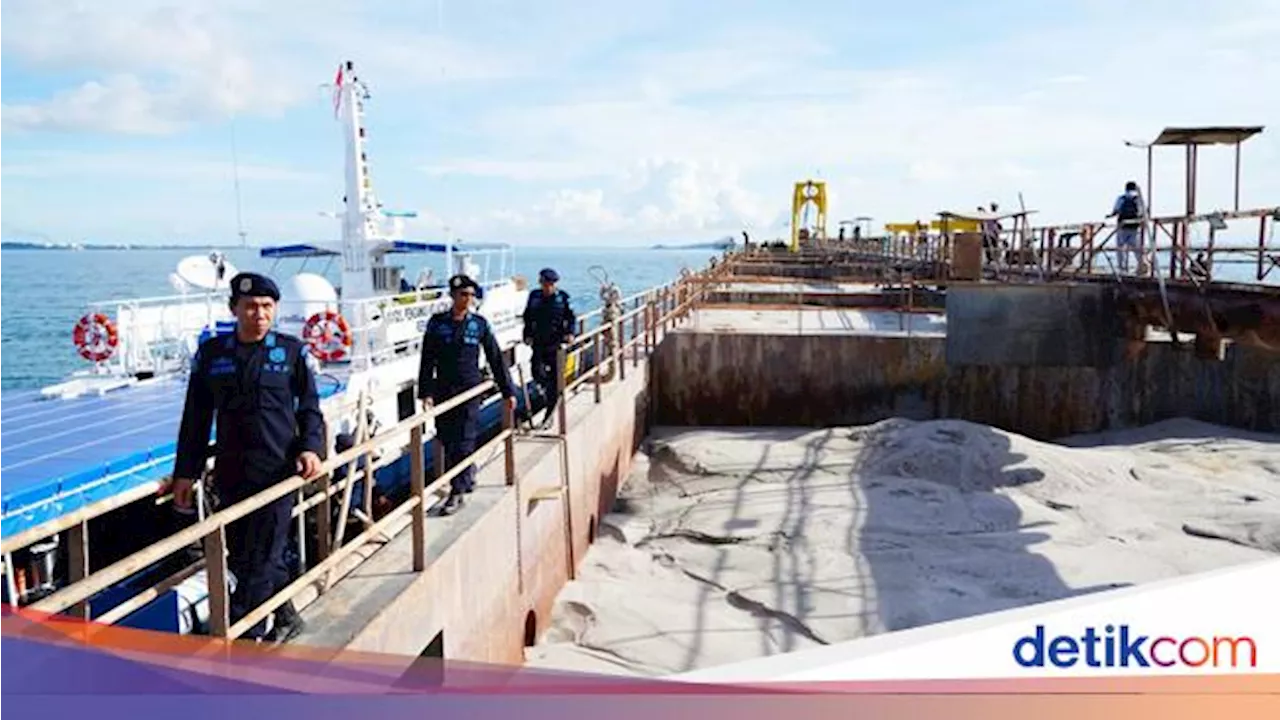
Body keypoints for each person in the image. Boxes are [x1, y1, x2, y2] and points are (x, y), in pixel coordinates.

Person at [166, 272, 326, 643]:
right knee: (242, 556)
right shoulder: (212, 355)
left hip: (278, 473)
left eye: (267, 306)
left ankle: (243, 637)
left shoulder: (290, 353)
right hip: (232, 474)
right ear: (234, 308)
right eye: (251, 306)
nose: (259, 313)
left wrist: (311, 449)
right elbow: (196, 417)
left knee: (260, 560)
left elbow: (309, 408)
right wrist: (185, 473)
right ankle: (286, 616)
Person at [418, 274, 518, 515]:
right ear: (453, 296)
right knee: (446, 437)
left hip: (469, 391)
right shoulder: (437, 323)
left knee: (464, 439)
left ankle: (457, 491)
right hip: (444, 390)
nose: (468, 299)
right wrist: (425, 392)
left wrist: (508, 391)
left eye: (472, 295)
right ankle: (467, 473)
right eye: (464, 294)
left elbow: (495, 358)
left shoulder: (479, 324)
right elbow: (427, 358)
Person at [521, 268, 576, 429]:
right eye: (544, 283)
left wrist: (570, 333)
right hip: (538, 343)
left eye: (549, 284)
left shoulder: (562, 298)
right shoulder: (534, 296)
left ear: (554, 284)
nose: (546, 287)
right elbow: (527, 317)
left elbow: (571, 318)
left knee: (555, 381)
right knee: (536, 372)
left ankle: (548, 416)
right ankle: (545, 391)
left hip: (556, 344)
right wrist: (527, 334)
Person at [1107, 181, 1146, 274]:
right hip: (1135, 227)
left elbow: (1116, 211)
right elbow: (1143, 212)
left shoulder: (1121, 198)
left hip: (1122, 226)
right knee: (1137, 248)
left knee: (1120, 248)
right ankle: (1142, 266)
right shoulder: (1139, 199)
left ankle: (1122, 268)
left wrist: (1110, 215)